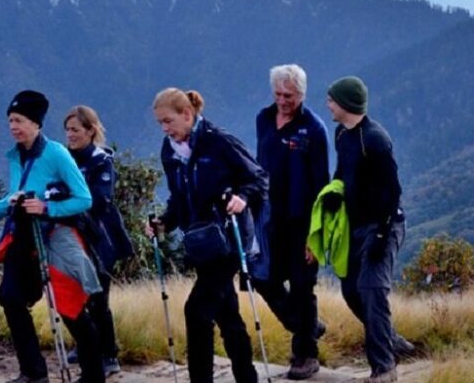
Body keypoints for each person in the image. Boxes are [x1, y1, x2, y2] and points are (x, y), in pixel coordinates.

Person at [0, 90, 104, 383]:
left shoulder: (56, 154)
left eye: (19, 121)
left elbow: (84, 199)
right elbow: (14, 198)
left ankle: (94, 375)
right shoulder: (16, 155)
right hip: (22, 236)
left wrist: (46, 207)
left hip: (53, 237)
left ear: (36, 123)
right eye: (10, 121)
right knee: (10, 297)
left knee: (71, 307)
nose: (13, 126)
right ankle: (34, 373)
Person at [147, 88, 268, 383]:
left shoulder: (219, 141)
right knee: (227, 315)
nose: (164, 129)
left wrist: (242, 197)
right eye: (160, 123)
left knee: (197, 311)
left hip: (229, 240)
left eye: (168, 121)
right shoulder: (169, 150)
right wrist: (164, 223)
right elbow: (179, 197)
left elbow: (258, 178)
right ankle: (247, 376)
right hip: (200, 244)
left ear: (187, 114)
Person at [320, 76, 411, 383]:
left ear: (346, 103)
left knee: (372, 290)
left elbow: (393, 190)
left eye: (332, 100)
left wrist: (382, 234)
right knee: (351, 290)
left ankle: (384, 369)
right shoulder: (342, 134)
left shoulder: (375, 139)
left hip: (384, 224)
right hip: (356, 225)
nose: (328, 104)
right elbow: (342, 171)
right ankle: (391, 341)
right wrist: (335, 192)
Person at [253, 64, 329, 379]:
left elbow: (321, 184)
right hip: (269, 217)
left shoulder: (314, 129)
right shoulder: (263, 119)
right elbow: (259, 165)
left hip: (302, 221)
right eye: (279, 94)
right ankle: (305, 325)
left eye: (290, 95)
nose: (283, 100)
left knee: (301, 285)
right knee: (261, 277)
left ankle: (305, 356)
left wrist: (315, 235)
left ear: (302, 94)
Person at [64, 105, 134, 376]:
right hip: (72, 235)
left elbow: (99, 200)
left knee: (98, 298)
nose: (70, 135)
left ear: (91, 131)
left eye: (75, 130)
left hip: (101, 237)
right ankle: (85, 344)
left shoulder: (101, 160)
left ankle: (108, 354)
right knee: (76, 294)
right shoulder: (64, 158)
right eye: (67, 130)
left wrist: (67, 202)